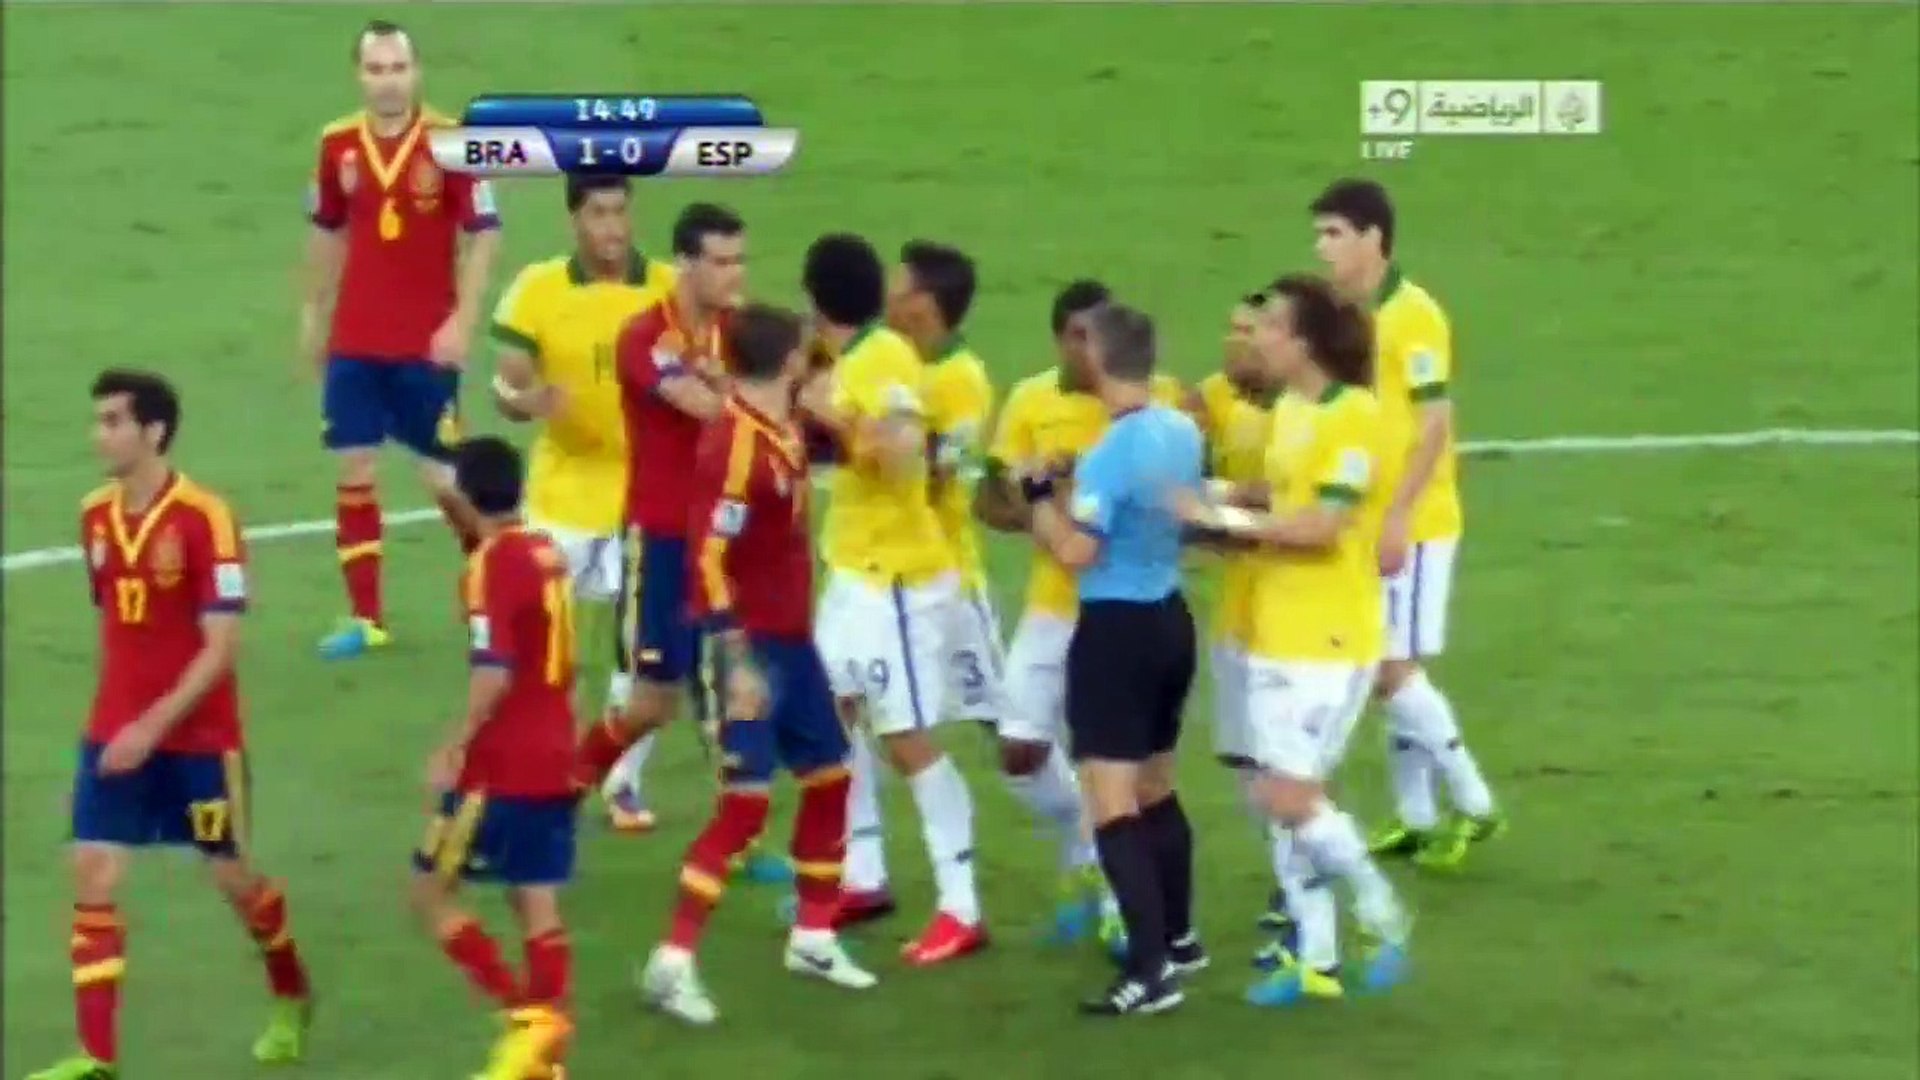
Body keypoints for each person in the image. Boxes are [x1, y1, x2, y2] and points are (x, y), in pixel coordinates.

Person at [31, 371, 315, 1080]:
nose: (99, 435)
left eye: (113, 421)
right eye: (98, 420)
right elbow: (118, 621)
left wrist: (150, 728)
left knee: (233, 878)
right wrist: (124, 724)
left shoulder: (206, 519)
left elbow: (220, 648)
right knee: (94, 870)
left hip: (199, 743)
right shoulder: (94, 516)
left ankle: (291, 993)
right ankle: (96, 1058)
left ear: (153, 431)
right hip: (114, 731)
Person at [1176, 275, 1413, 1007]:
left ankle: (1381, 910)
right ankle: (1317, 959)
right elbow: (1283, 497)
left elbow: (1321, 528)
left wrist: (1221, 523)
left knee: (1290, 794)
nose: (1259, 338)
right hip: (1273, 629)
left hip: (1328, 636)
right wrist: (1214, 496)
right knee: (1272, 793)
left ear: (1305, 341)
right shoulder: (1292, 410)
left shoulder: (1355, 416)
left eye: (1272, 327)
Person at [639, 304, 877, 1025]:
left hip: (793, 645)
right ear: (789, 361)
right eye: (805, 353)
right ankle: (672, 961)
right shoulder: (736, 445)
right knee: (744, 807)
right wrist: (735, 657)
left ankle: (813, 937)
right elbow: (707, 559)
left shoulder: (782, 426)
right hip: (748, 649)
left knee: (831, 777)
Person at [974, 280, 1185, 948]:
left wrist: (1065, 499)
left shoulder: (1155, 405)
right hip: (1059, 607)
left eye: (1091, 337)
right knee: (1020, 749)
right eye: (1072, 336)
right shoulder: (1032, 400)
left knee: (1121, 774)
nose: (1082, 349)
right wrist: (1036, 503)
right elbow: (989, 501)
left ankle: (1126, 906)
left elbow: (1163, 501)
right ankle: (1086, 849)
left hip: (1116, 613)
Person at [799, 233, 987, 964]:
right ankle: (863, 873)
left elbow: (904, 447)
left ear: (815, 295)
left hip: (900, 582)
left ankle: (962, 906)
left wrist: (832, 418)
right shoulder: (851, 357)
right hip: (854, 571)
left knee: (905, 739)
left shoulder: (881, 358)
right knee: (835, 718)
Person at [1309, 179, 1503, 868]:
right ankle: (1418, 816)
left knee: (1389, 668)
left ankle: (1474, 801)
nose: (1322, 248)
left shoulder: (1414, 316)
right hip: (1378, 519)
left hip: (1416, 521)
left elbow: (1435, 423)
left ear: (1374, 239)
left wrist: (1396, 517)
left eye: (1334, 233)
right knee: (1390, 664)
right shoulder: (1361, 316)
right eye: (1319, 235)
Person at [1025, 304, 1205, 1016]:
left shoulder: (1110, 452)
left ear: (1098, 357)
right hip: (1170, 620)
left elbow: (1078, 551)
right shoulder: (1181, 429)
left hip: (1116, 633)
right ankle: (1181, 938)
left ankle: (1150, 972)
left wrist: (1039, 502)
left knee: (1111, 801)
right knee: (1157, 786)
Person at [303, 19, 502, 660]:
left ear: (416, 73)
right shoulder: (336, 144)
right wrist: (314, 314)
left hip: (424, 344)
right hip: (356, 340)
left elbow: (485, 232)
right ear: (359, 75)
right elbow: (328, 230)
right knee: (354, 467)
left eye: (397, 68)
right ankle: (366, 618)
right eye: (376, 69)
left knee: (443, 478)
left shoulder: (453, 141)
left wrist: (463, 320)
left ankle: (497, 591)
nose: (388, 81)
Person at [489, 175, 674, 774]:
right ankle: (542, 759)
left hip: (642, 498)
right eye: (599, 213)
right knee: (540, 640)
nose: (613, 227)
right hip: (561, 496)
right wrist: (529, 401)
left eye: (621, 211)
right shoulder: (537, 289)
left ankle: (622, 781)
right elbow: (506, 387)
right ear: (575, 219)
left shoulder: (669, 289)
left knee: (639, 655)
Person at [409, 437, 580, 1080]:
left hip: (504, 763)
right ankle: (546, 1063)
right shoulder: (545, 551)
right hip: (556, 750)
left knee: (430, 892)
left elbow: (495, 670)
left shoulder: (491, 563)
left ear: (465, 494)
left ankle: (524, 1026)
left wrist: (455, 744)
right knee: (536, 902)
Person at [1190, 293, 1295, 964]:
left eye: (1248, 332)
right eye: (1230, 330)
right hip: (1236, 608)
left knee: (1283, 761)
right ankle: (1294, 879)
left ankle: (1305, 899)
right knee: (1246, 763)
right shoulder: (1213, 397)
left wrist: (1219, 500)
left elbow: (1291, 498)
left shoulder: (1303, 411)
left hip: (1288, 616)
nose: (1234, 343)